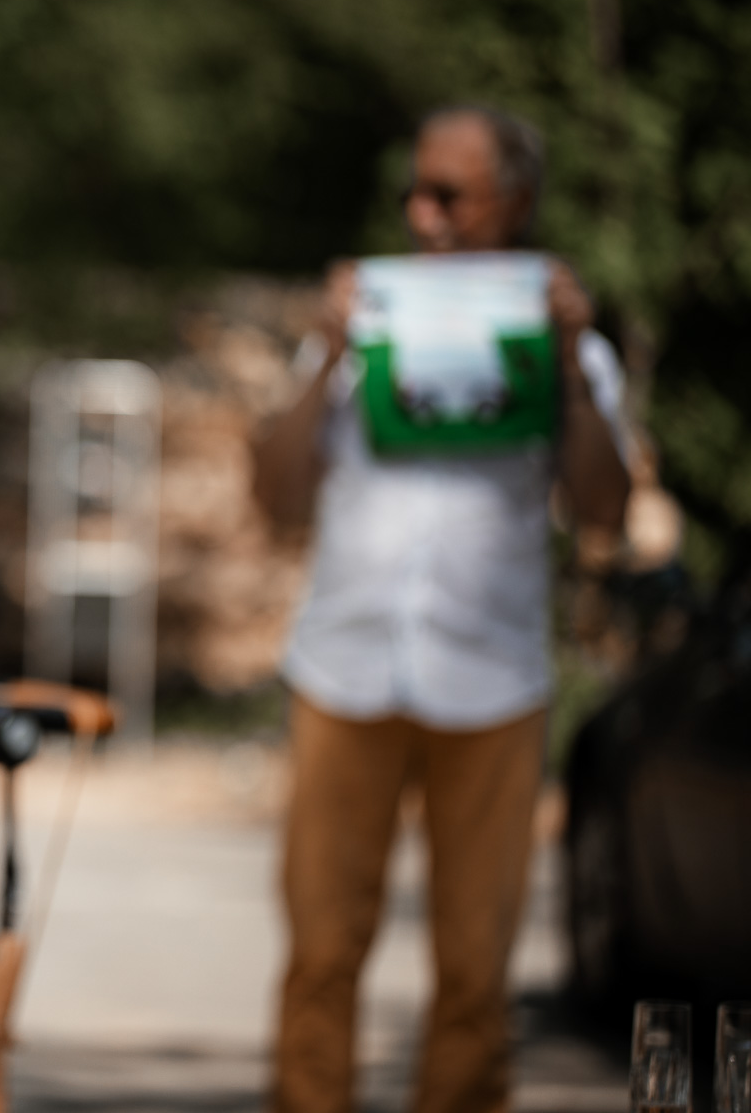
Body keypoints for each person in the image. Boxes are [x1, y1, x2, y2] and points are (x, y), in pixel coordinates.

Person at [252, 105, 632, 1113]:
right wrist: (326, 351)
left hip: (494, 677)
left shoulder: (567, 342)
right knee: (319, 953)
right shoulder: (362, 317)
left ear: (514, 202)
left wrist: (575, 368)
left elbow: (604, 511)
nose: (422, 213)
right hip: (346, 667)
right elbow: (276, 498)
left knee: (475, 971)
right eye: (414, 191)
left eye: (449, 193)